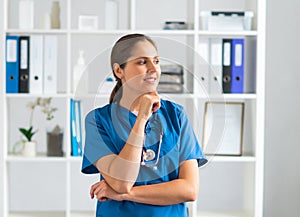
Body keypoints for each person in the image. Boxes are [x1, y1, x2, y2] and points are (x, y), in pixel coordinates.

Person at [81, 33, 207, 217]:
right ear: (119, 71)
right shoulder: (98, 120)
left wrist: (124, 194)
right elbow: (122, 181)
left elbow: (189, 190)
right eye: (142, 62)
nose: (153, 69)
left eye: (156, 61)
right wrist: (141, 119)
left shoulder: (176, 115)